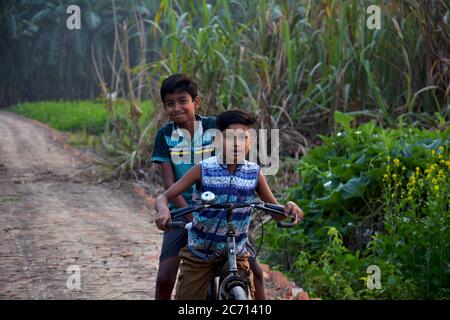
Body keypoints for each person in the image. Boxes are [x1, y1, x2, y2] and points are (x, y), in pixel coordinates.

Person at [154, 109, 304, 300]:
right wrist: (163, 211)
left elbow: (276, 212)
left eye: (243, 137)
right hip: (201, 252)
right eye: (229, 137)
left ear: (251, 142)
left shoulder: (255, 174)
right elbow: (163, 197)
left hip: (236, 251)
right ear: (217, 141)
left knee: (248, 287)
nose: (237, 143)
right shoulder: (203, 169)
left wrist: (289, 208)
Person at [151, 75, 267, 299]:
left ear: (196, 102)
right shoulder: (165, 135)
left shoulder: (214, 126)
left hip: (222, 210)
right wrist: (192, 219)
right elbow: (169, 185)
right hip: (182, 210)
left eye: (182, 101)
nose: (176, 108)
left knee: (256, 272)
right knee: (165, 278)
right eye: (170, 103)